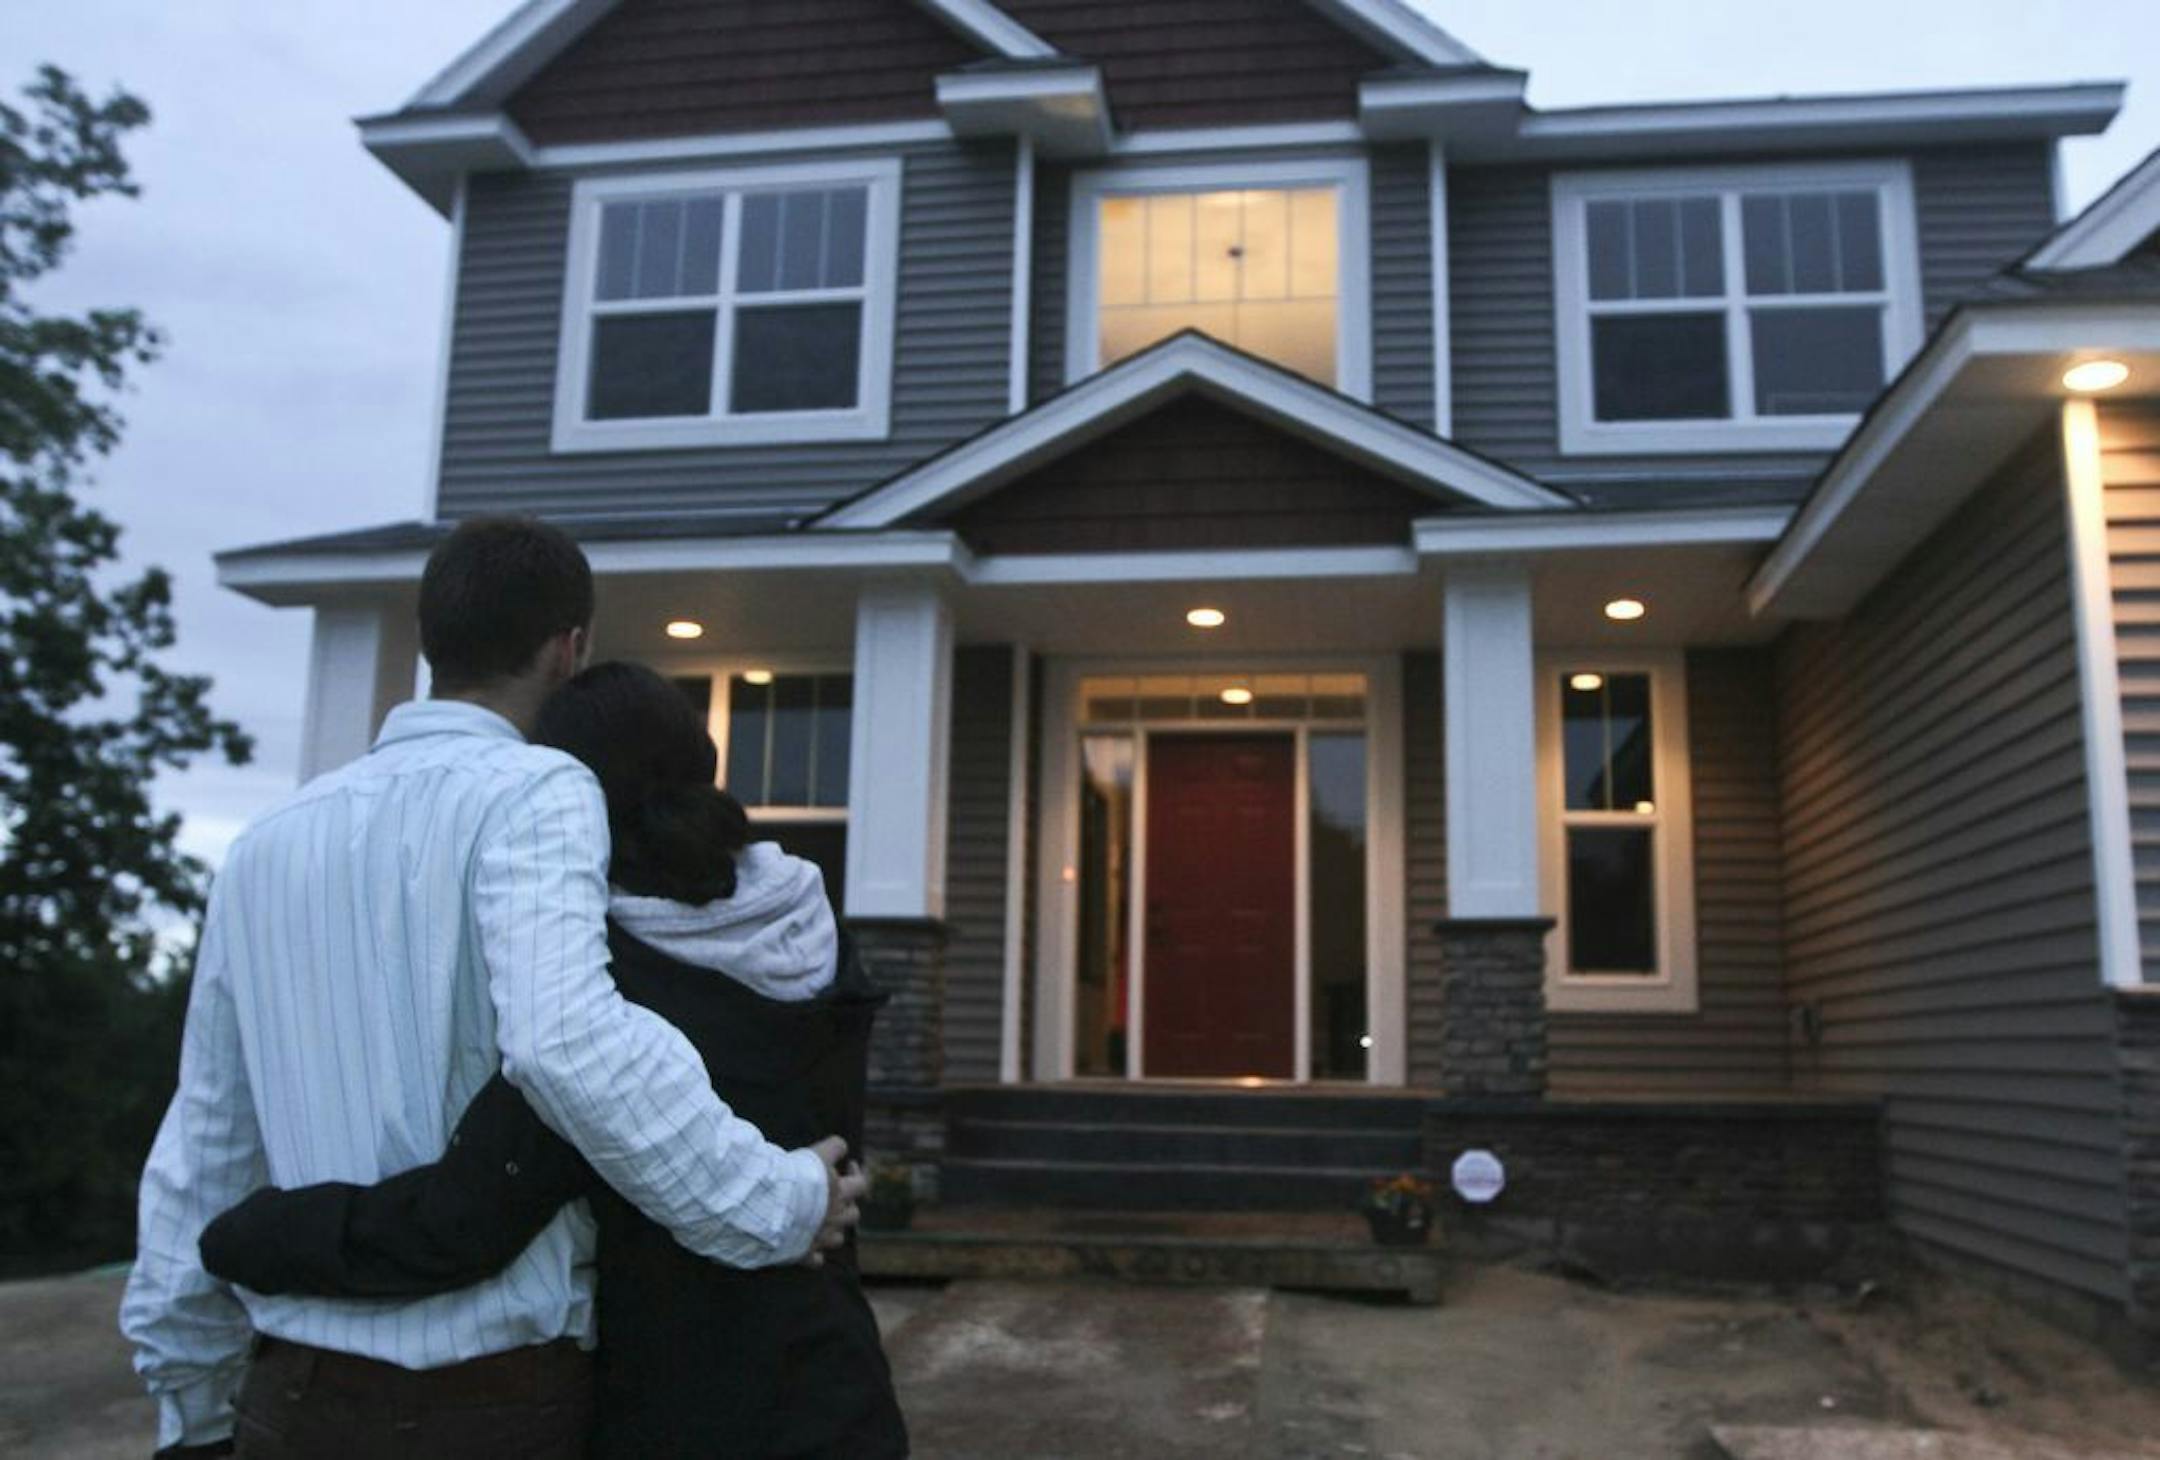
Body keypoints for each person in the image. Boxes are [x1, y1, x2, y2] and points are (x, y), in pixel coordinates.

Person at [122, 517, 866, 1459]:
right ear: (569, 648)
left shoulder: (261, 847)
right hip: (491, 1403)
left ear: (431, 639)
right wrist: (778, 1201)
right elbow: (564, 1044)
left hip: (289, 1400)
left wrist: (190, 1406)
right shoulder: (540, 790)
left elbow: (205, 1144)